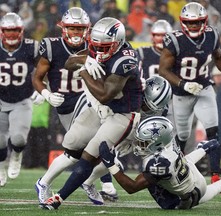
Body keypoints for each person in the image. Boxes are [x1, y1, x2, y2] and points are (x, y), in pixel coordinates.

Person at [40, 17, 143, 210]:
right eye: (96, 47)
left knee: (92, 155)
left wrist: (84, 72)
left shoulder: (125, 60)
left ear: (118, 42)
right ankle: (47, 186)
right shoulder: (97, 47)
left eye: (105, 47)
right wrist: (85, 58)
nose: (99, 51)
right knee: (74, 145)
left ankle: (58, 199)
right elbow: (69, 63)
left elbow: (105, 95)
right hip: (103, 109)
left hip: (123, 114)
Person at [33, 7, 117, 204]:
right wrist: (45, 93)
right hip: (66, 106)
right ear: (64, 28)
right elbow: (36, 77)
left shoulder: (95, 46)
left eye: (80, 29)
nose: (76, 33)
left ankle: (91, 181)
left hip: (89, 101)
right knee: (85, 151)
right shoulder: (52, 46)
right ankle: (92, 182)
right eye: (72, 28)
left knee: (102, 147)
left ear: (87, 29)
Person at [158, 2, 221, 183]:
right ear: (182, 22)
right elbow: (162, 70)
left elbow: (218, 56)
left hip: (204, 88)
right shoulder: (174, 39)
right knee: (183, 136)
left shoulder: (211, 34)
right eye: (190, 22)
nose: (194, 26)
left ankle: (216, 175)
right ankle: (176, 173)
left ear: (204, 21)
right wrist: (183, 84)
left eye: (197, 22)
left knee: (213, 130)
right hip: (181, 93)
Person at [98, 116, 221, 209]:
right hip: (187, 170)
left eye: (144, 142)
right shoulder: (168, 142)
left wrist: (110, 163)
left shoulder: (159, 163)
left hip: (191, 194)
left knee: (156, 188)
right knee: (182, 164)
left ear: (157, 143)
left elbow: (131, 187)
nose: (139, 145)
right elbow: (182, 161)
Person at [0, 12, 39, 187]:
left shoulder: (31, 47)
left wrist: (43, 88)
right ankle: (1, 166)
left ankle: (16, 154)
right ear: (2, 31)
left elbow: (45, 67)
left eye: (14, 30)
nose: (11, 35)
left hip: (22, 99)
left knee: (18, 139)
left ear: (21, 31)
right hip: (0, 100)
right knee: (0, 141)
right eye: (7, 31)